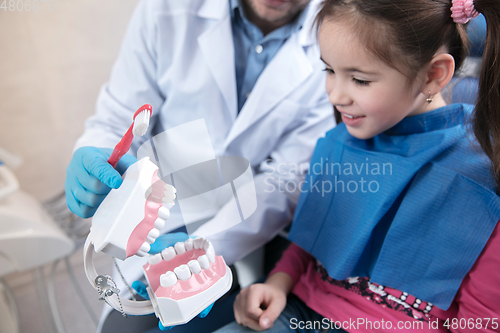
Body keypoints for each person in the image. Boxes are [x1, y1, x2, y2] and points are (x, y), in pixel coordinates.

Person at [215, 0, 500, 332]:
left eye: (360, 80)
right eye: (329, 71)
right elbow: (314, 238)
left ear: (434, 75)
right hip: (300, 311)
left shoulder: (479, 178)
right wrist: (277, 282)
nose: (336, 95)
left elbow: (482, 316)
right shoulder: (342, 141)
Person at [65, 0, 335, 332]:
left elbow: (284, 182)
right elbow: (121, 115)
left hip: (250, 227)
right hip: (162, 213)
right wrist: (100, 154)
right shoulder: (167, 9)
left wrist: (205, 246)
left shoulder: (333, 37)